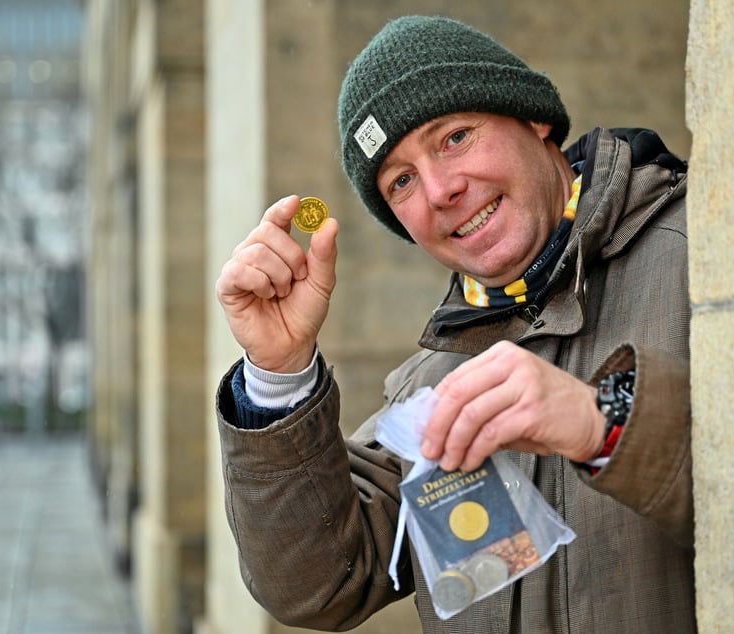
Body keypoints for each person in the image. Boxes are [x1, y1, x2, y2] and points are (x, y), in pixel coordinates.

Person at [214, 15, 694, 633]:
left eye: (455, 137)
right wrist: (277, 374)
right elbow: (322, 585)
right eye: (402, 180)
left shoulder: (708, 260)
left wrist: (603, 425)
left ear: (533, 118)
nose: (440, 190)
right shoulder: (429, 384)